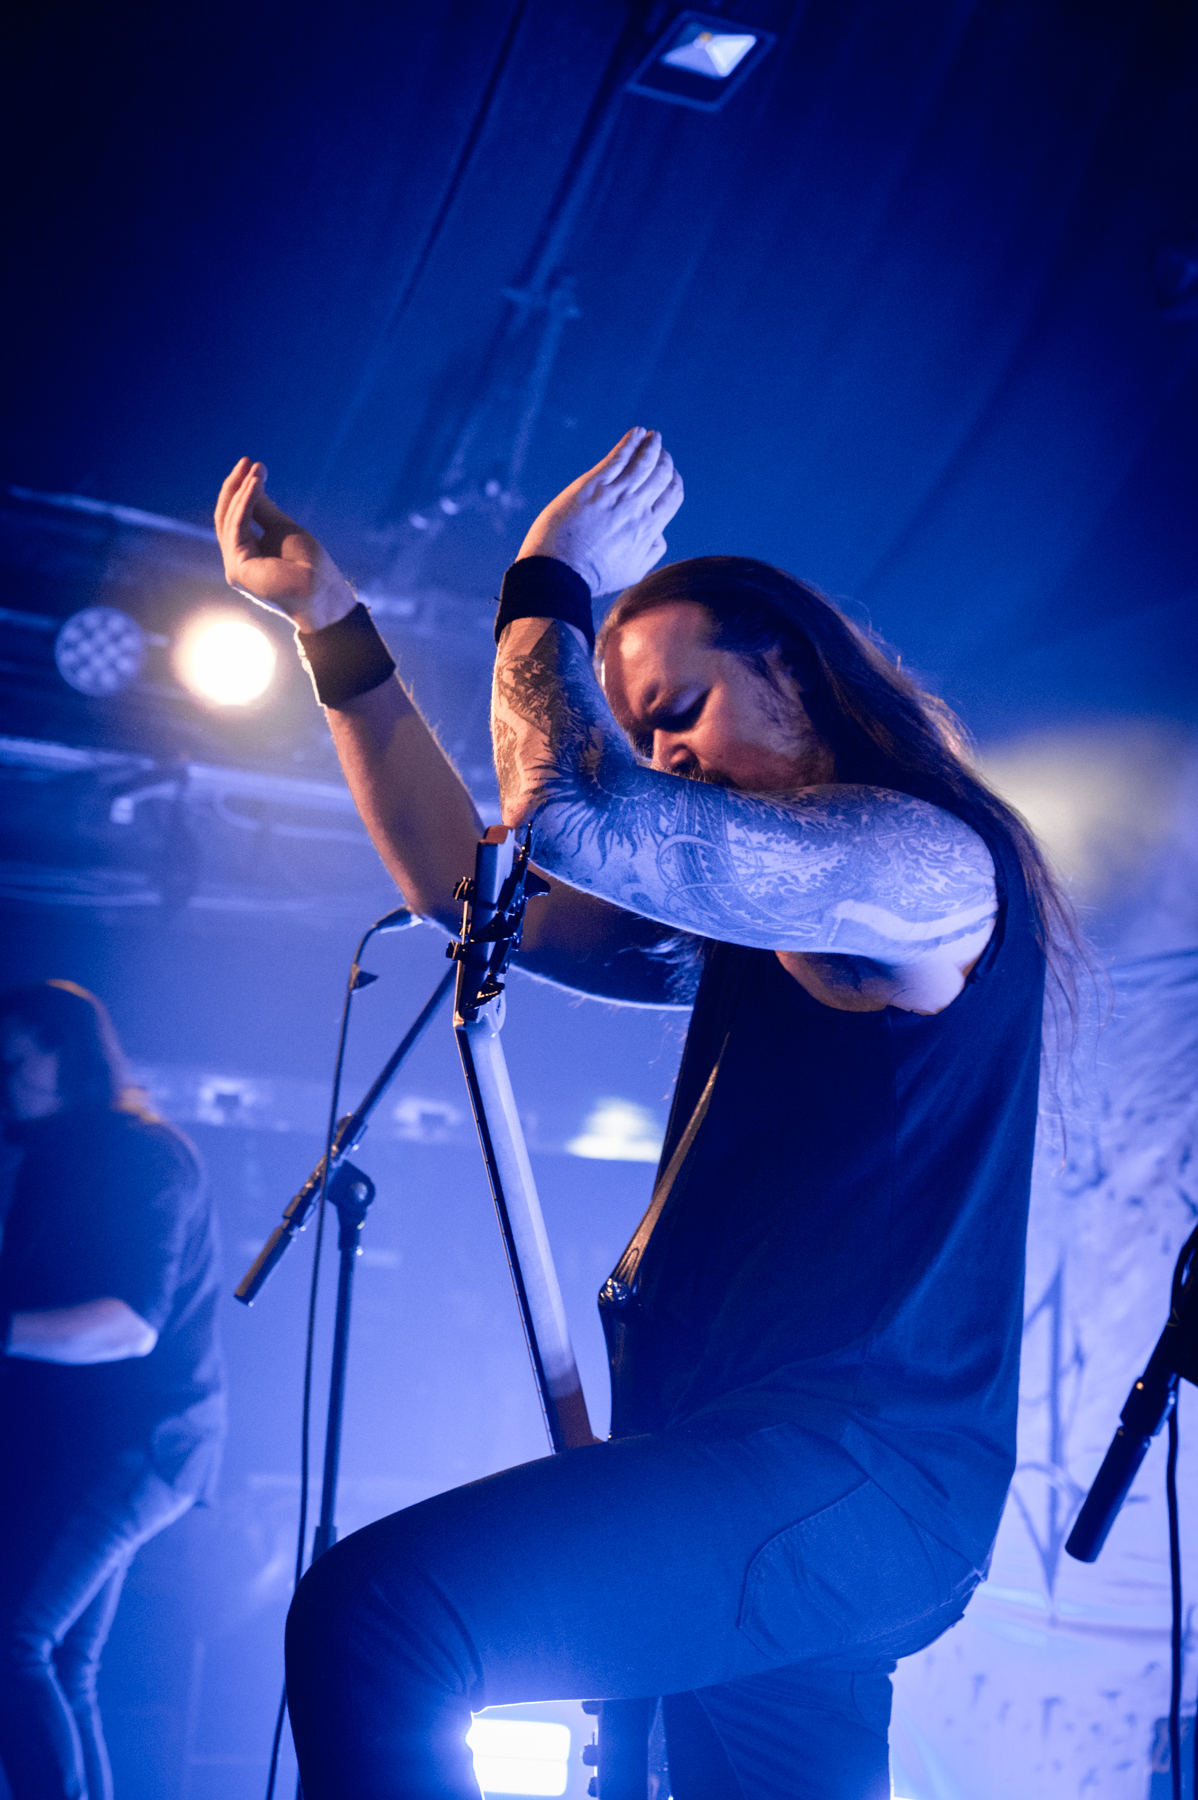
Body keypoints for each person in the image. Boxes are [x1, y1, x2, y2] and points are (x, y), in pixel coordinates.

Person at [214, 431, 1066, 1799]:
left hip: (850, 1474)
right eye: (646, 729)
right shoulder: (751, 934)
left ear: (791, 669)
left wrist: (551, 574)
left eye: (679, 706)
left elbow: (577, 815)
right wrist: (334, 630)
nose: (664, 749)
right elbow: (460, 880)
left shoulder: (925, 873)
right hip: (759, 1471)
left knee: (381, 1621)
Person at [0, 981, 225, 1800]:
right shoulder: (54, 1158)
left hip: (144, 1444)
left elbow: (131, 1324)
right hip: (103, 1445)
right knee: (63, 1659)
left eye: (14, 1063)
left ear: (69, 1056)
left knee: (15, 1643)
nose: (4, 1082)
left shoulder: (144, 1157)